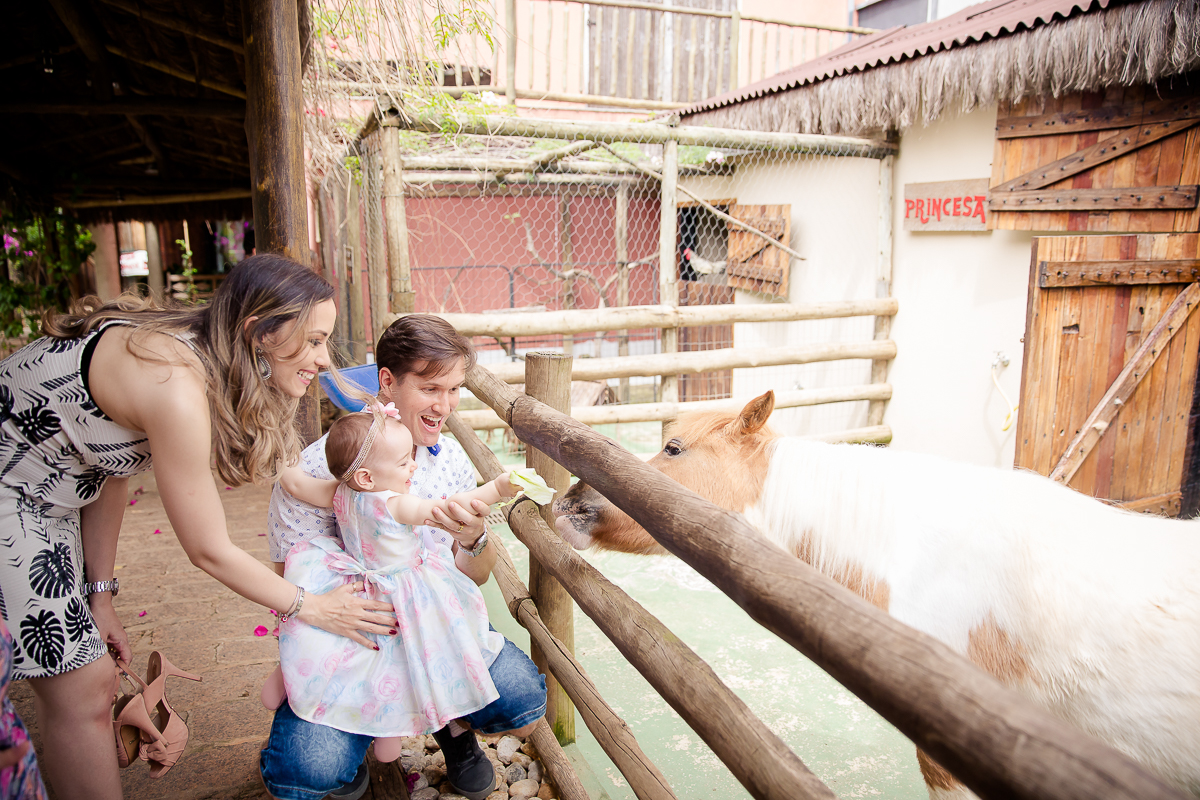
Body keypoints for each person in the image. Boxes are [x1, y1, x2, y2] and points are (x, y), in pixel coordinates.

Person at [0, 254, 397, 800]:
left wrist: (101, 593)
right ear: (258, 332)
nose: (323, 359)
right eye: (311, 341)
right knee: (82, 688)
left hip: (54, 494)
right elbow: (208, 550)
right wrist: (314, 606)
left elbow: (113, 469)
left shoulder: (202, 349)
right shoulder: (176, 385)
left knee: (88, 682)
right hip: (12, 488)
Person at [260, 315, 547, 800]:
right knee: (305, 771)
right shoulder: (325, 466)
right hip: (351, 638)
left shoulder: (450, 460)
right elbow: (286, 578)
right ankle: (355, 739)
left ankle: (451, 728)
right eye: (432, 388)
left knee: (521, 702)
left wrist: (475, 536)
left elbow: (473, 575)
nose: (445, 406)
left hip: (433, 620)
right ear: (388, 382)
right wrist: (336, 611)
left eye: (454, 390)